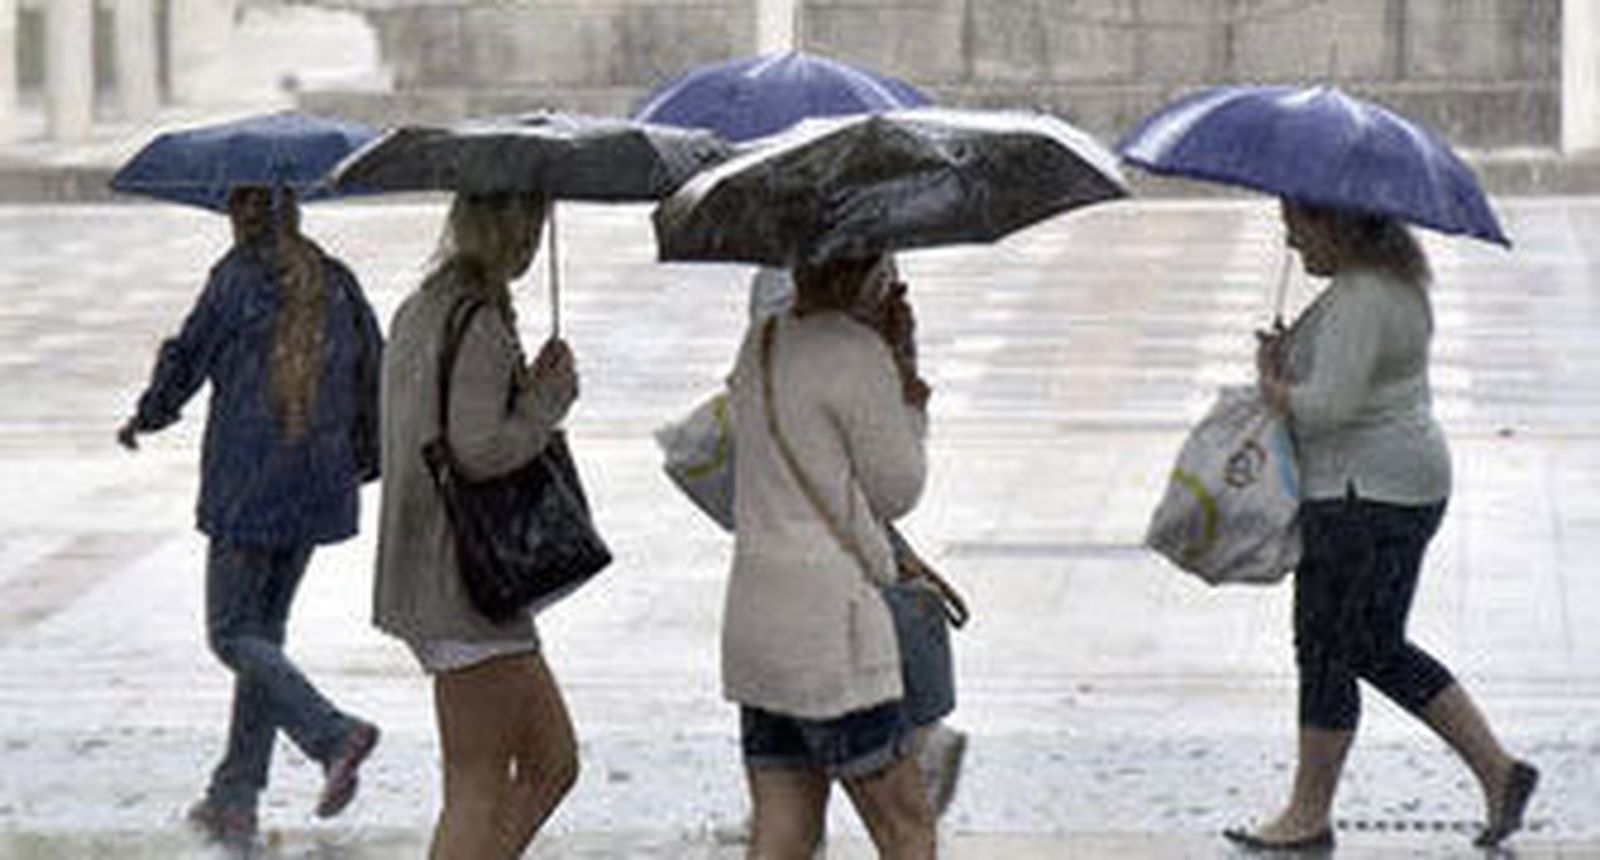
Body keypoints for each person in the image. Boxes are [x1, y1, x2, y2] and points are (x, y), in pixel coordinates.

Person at [1225, 200, 1539, 852]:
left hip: (1362, 495)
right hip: (1400, 487)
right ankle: (1498, 771)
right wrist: (1293, 356)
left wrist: (1273, 384)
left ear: (1334, 222)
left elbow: (1329, 410)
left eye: (1297, 222)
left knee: (1327, 652)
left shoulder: (1363, 296)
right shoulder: (1394, 284)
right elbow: (1354, 382)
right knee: (1372, 644)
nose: (1288, 235)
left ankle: (1306, 815)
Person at [116, 185, 384, 847]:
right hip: (317, 481)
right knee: (264, 639)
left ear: (242, 215)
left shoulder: (235, 280)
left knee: (233, 634)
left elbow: (188, 355)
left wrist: (147, 415)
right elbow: (374, 371)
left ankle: (332, 734)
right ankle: (235, 797)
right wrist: (364, 457)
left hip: (249, 483)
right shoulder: (336, 278)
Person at [374, 192, 580, 860]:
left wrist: (525, 390)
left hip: (433, 574)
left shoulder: (423, 307)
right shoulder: (480, 321)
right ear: (510, 227)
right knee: (477, 784)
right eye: (532, 221)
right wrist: (546, 404)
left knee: (553, 764)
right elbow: (478, 450)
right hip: (464, 582)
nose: (536, 236)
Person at [725, 254, 936, 859]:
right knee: (907, 823)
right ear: (866, 270)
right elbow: (899, 488)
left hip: (757, 625)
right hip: (830, 635)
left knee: (784, 828)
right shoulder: (853, 353)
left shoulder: (760, 341)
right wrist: (906, 383)